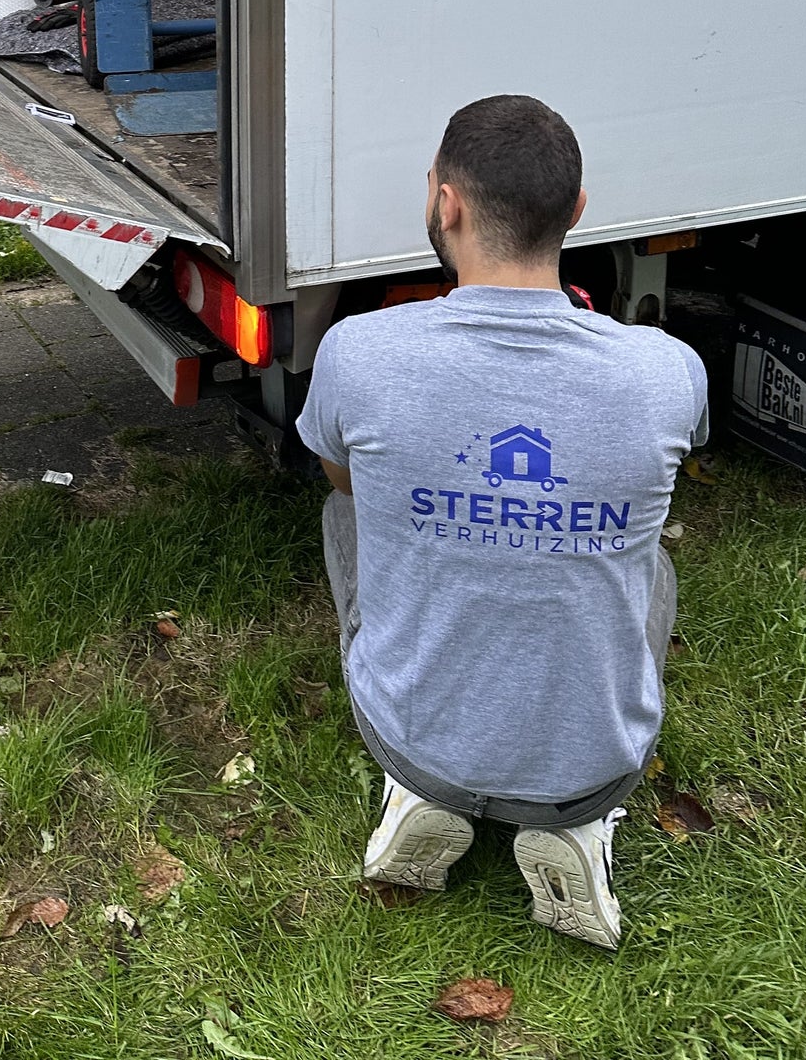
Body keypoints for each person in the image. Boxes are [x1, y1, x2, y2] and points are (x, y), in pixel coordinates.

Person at [296, 94, 708, 949]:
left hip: (412, 743)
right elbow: (671, 472)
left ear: (446, 204)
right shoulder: (669, 372)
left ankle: (420, 794)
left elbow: (342, 478)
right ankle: (576, 827)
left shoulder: (358, 353)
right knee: (653, 565)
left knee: (347, 512)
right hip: (599, 766)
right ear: (578, 213)